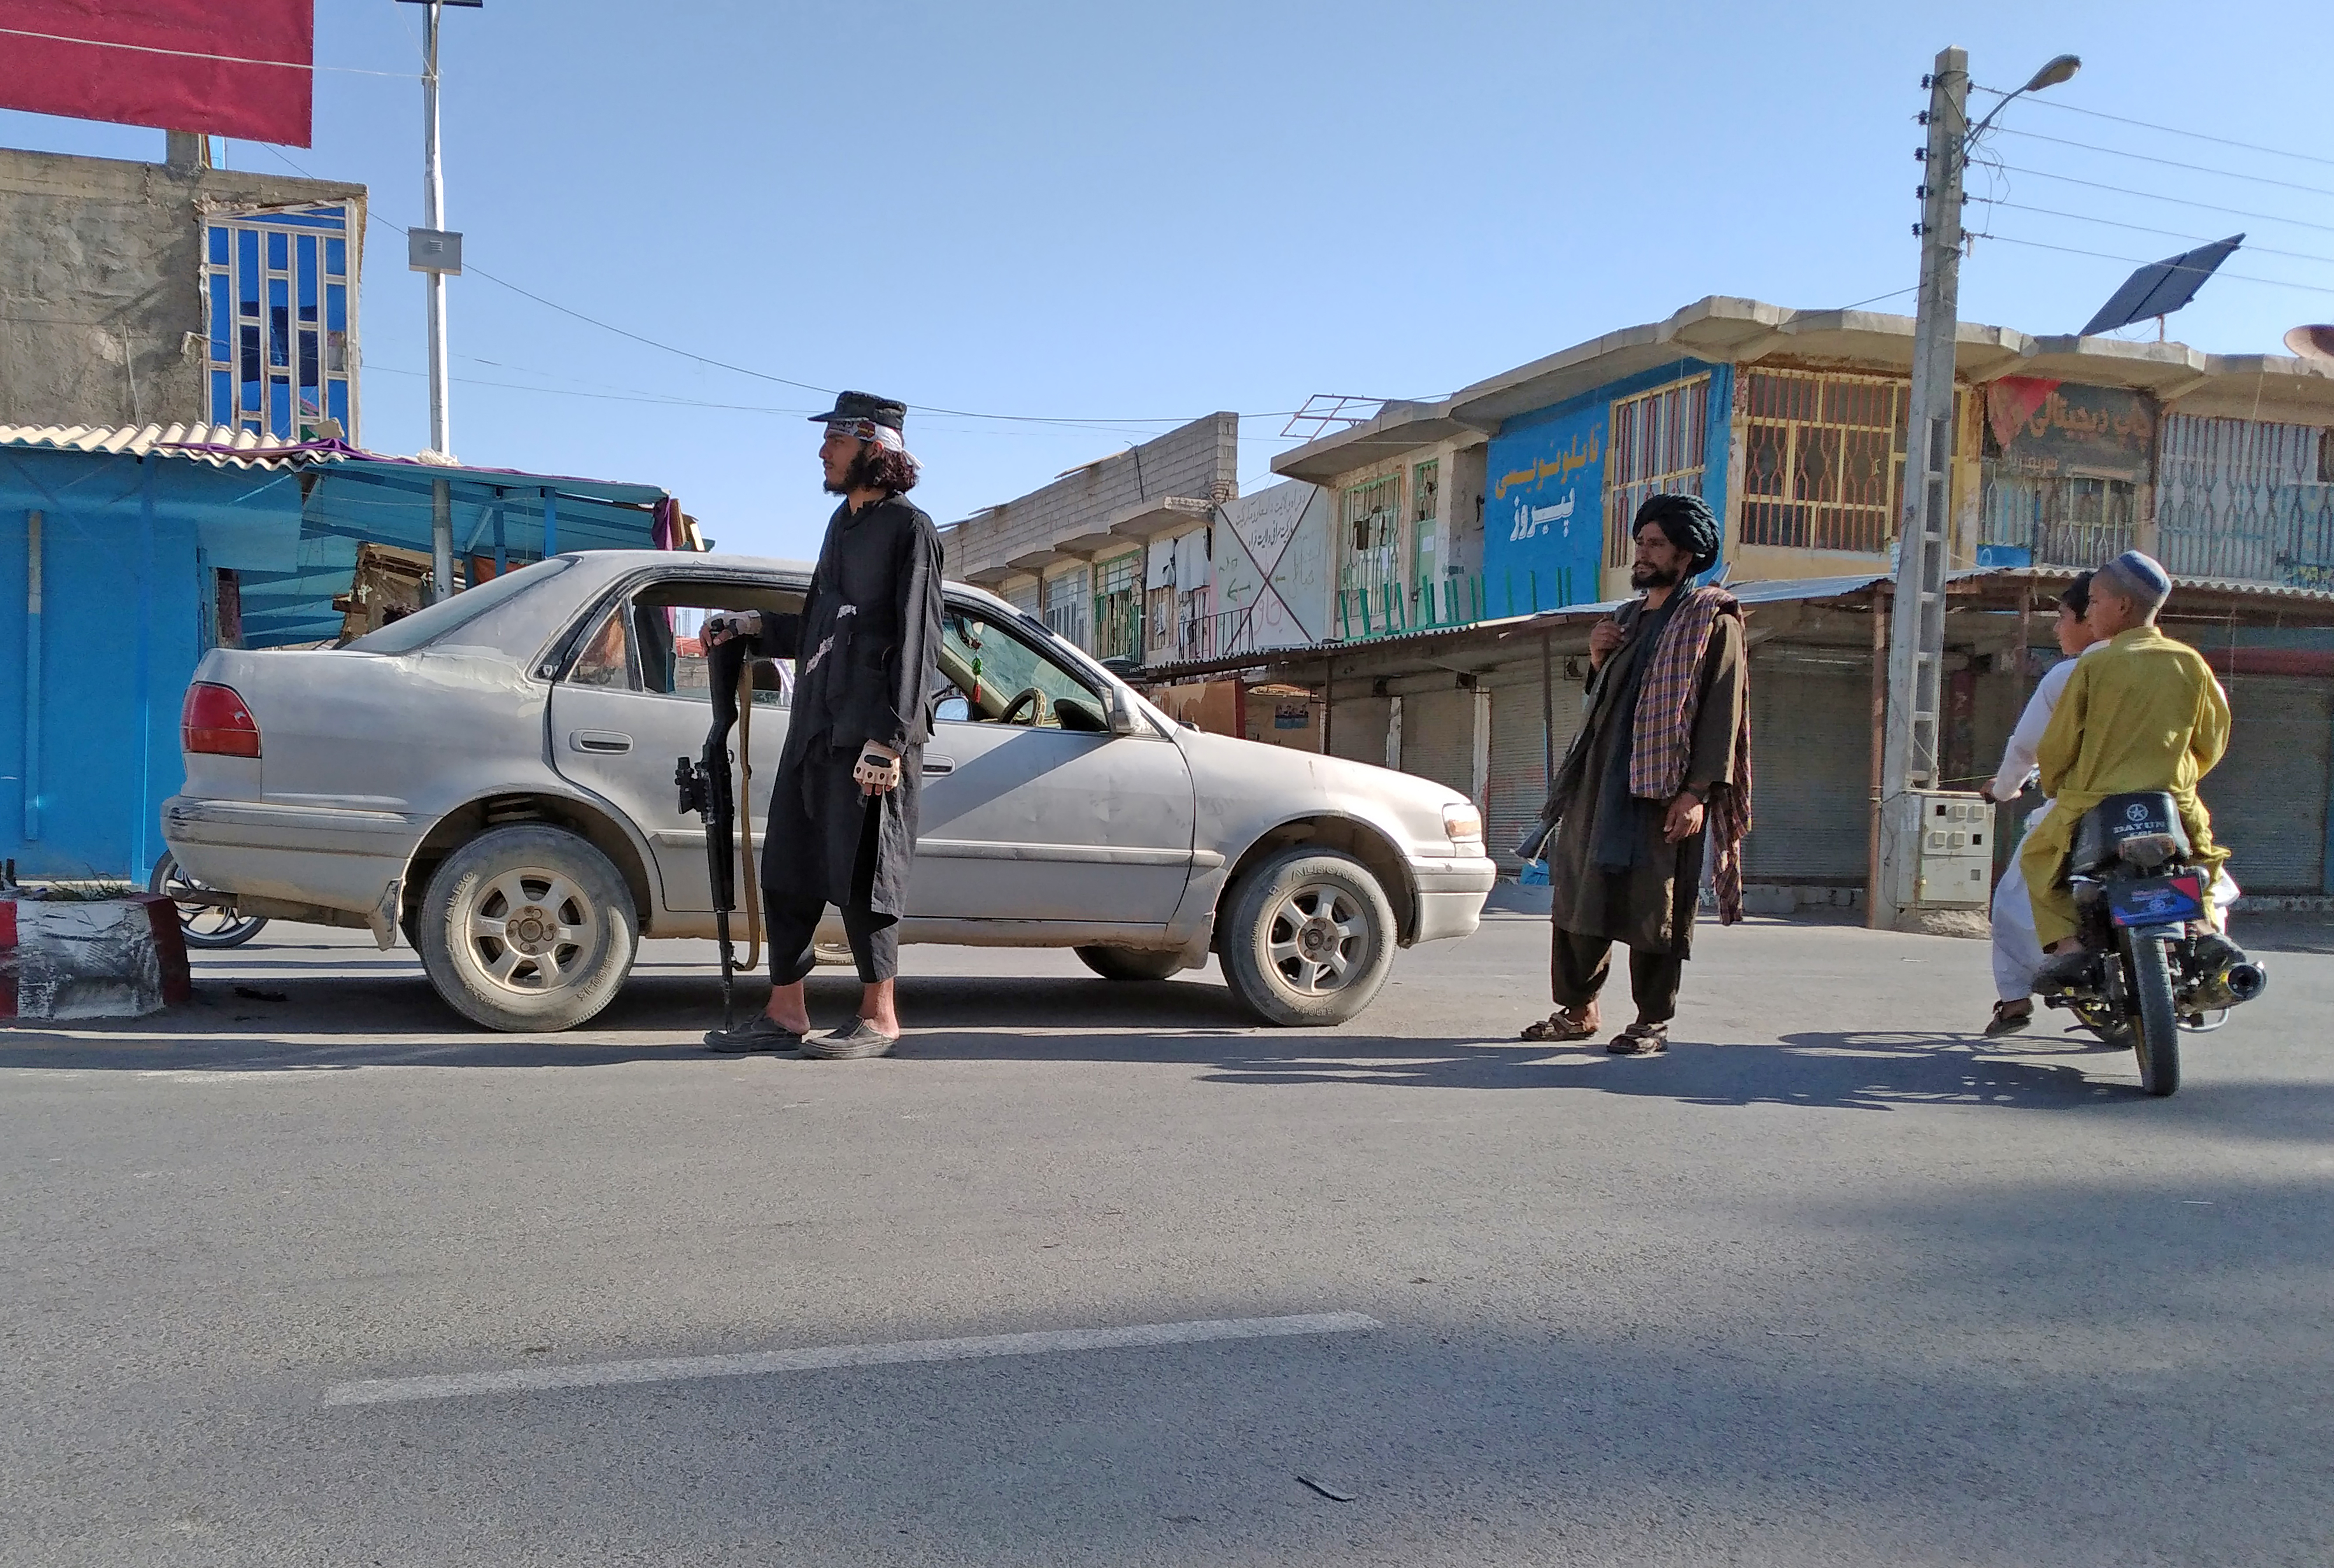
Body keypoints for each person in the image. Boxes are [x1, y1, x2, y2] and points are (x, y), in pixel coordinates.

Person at [700, 392, 944, 1059]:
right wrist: (753, 628)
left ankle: (880, 1017)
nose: (822, 452)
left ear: (874, 447)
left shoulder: (910, 529)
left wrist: (891, 740)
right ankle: (785, 1011)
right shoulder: (842, 525)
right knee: (789, 870)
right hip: (814, 730)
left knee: (866, 877)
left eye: (835, 440)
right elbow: (821, 629)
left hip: (870, 739)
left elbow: (918, 642)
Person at [1519, 494, 1752, 1055]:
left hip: (1662, 791)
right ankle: (1578, 1008)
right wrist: (1597, 661)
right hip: (1599, 786)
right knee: (1580, 898)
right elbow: (1603, 703)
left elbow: (1723, 713)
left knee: (1656, 905)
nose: (1641, 554)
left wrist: (1697, 793)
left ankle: (1652, 1020)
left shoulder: (1712, 621)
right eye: (1640, 543)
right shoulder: (1623, 620)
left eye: (1654, 544)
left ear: (1686, 554)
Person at [2025, 550, 2232, 993]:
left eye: (2095, 601)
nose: (2090, 611)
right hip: (2173, 800)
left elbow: (2059, 745)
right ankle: (2206, 931)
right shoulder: (2189, 661)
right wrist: (2181, 775)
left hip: (2095, 801)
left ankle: (2069, 949)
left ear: (2122, 606)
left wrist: (2059, 784)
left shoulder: (2095, 665)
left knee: (2038, 858)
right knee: (2203, 860)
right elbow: (2212, 740)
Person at [1976, 573, 2104, 1035]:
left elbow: (2025, 747)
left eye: (2063, 616)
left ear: (2100, 612)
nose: (2057, 628)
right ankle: (2204, 935)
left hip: (2081, 808)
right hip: (2163, 802)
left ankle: (2017, 998)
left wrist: (2006, 788)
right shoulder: (2180, 665)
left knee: (2015, 894)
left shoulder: (2072, 674)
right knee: (2204, 873)